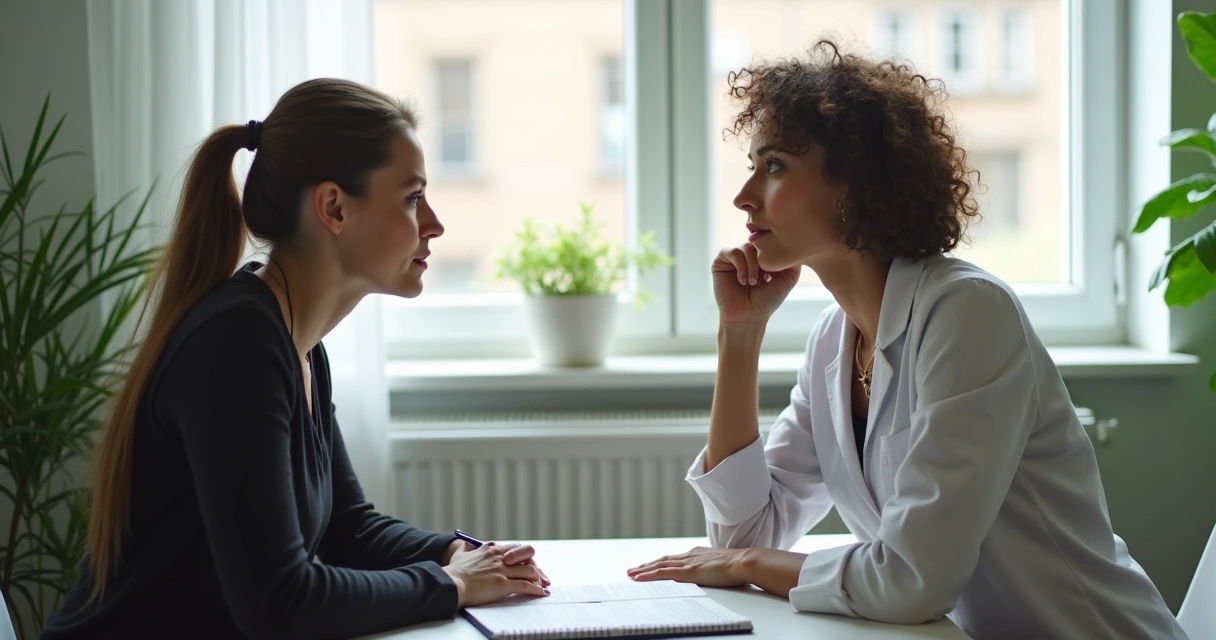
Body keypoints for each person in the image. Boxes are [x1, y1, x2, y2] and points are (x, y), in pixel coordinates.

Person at [627, 41, 1187, 640]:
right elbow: (743, 536)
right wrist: (739, 337)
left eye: (774, 166)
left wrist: (747, 565)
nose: (743, 196)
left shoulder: (967, 312)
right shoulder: (831, 343)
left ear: (855, 185)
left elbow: (912, 580)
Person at [42, 78, 549, 640]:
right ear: (333, 207)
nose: (434, 223)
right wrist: (451, 584)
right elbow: (280, 602)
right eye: (411, 197)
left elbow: (347, 528)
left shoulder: (296, 342)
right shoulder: (237, 344)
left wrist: (459, 552)